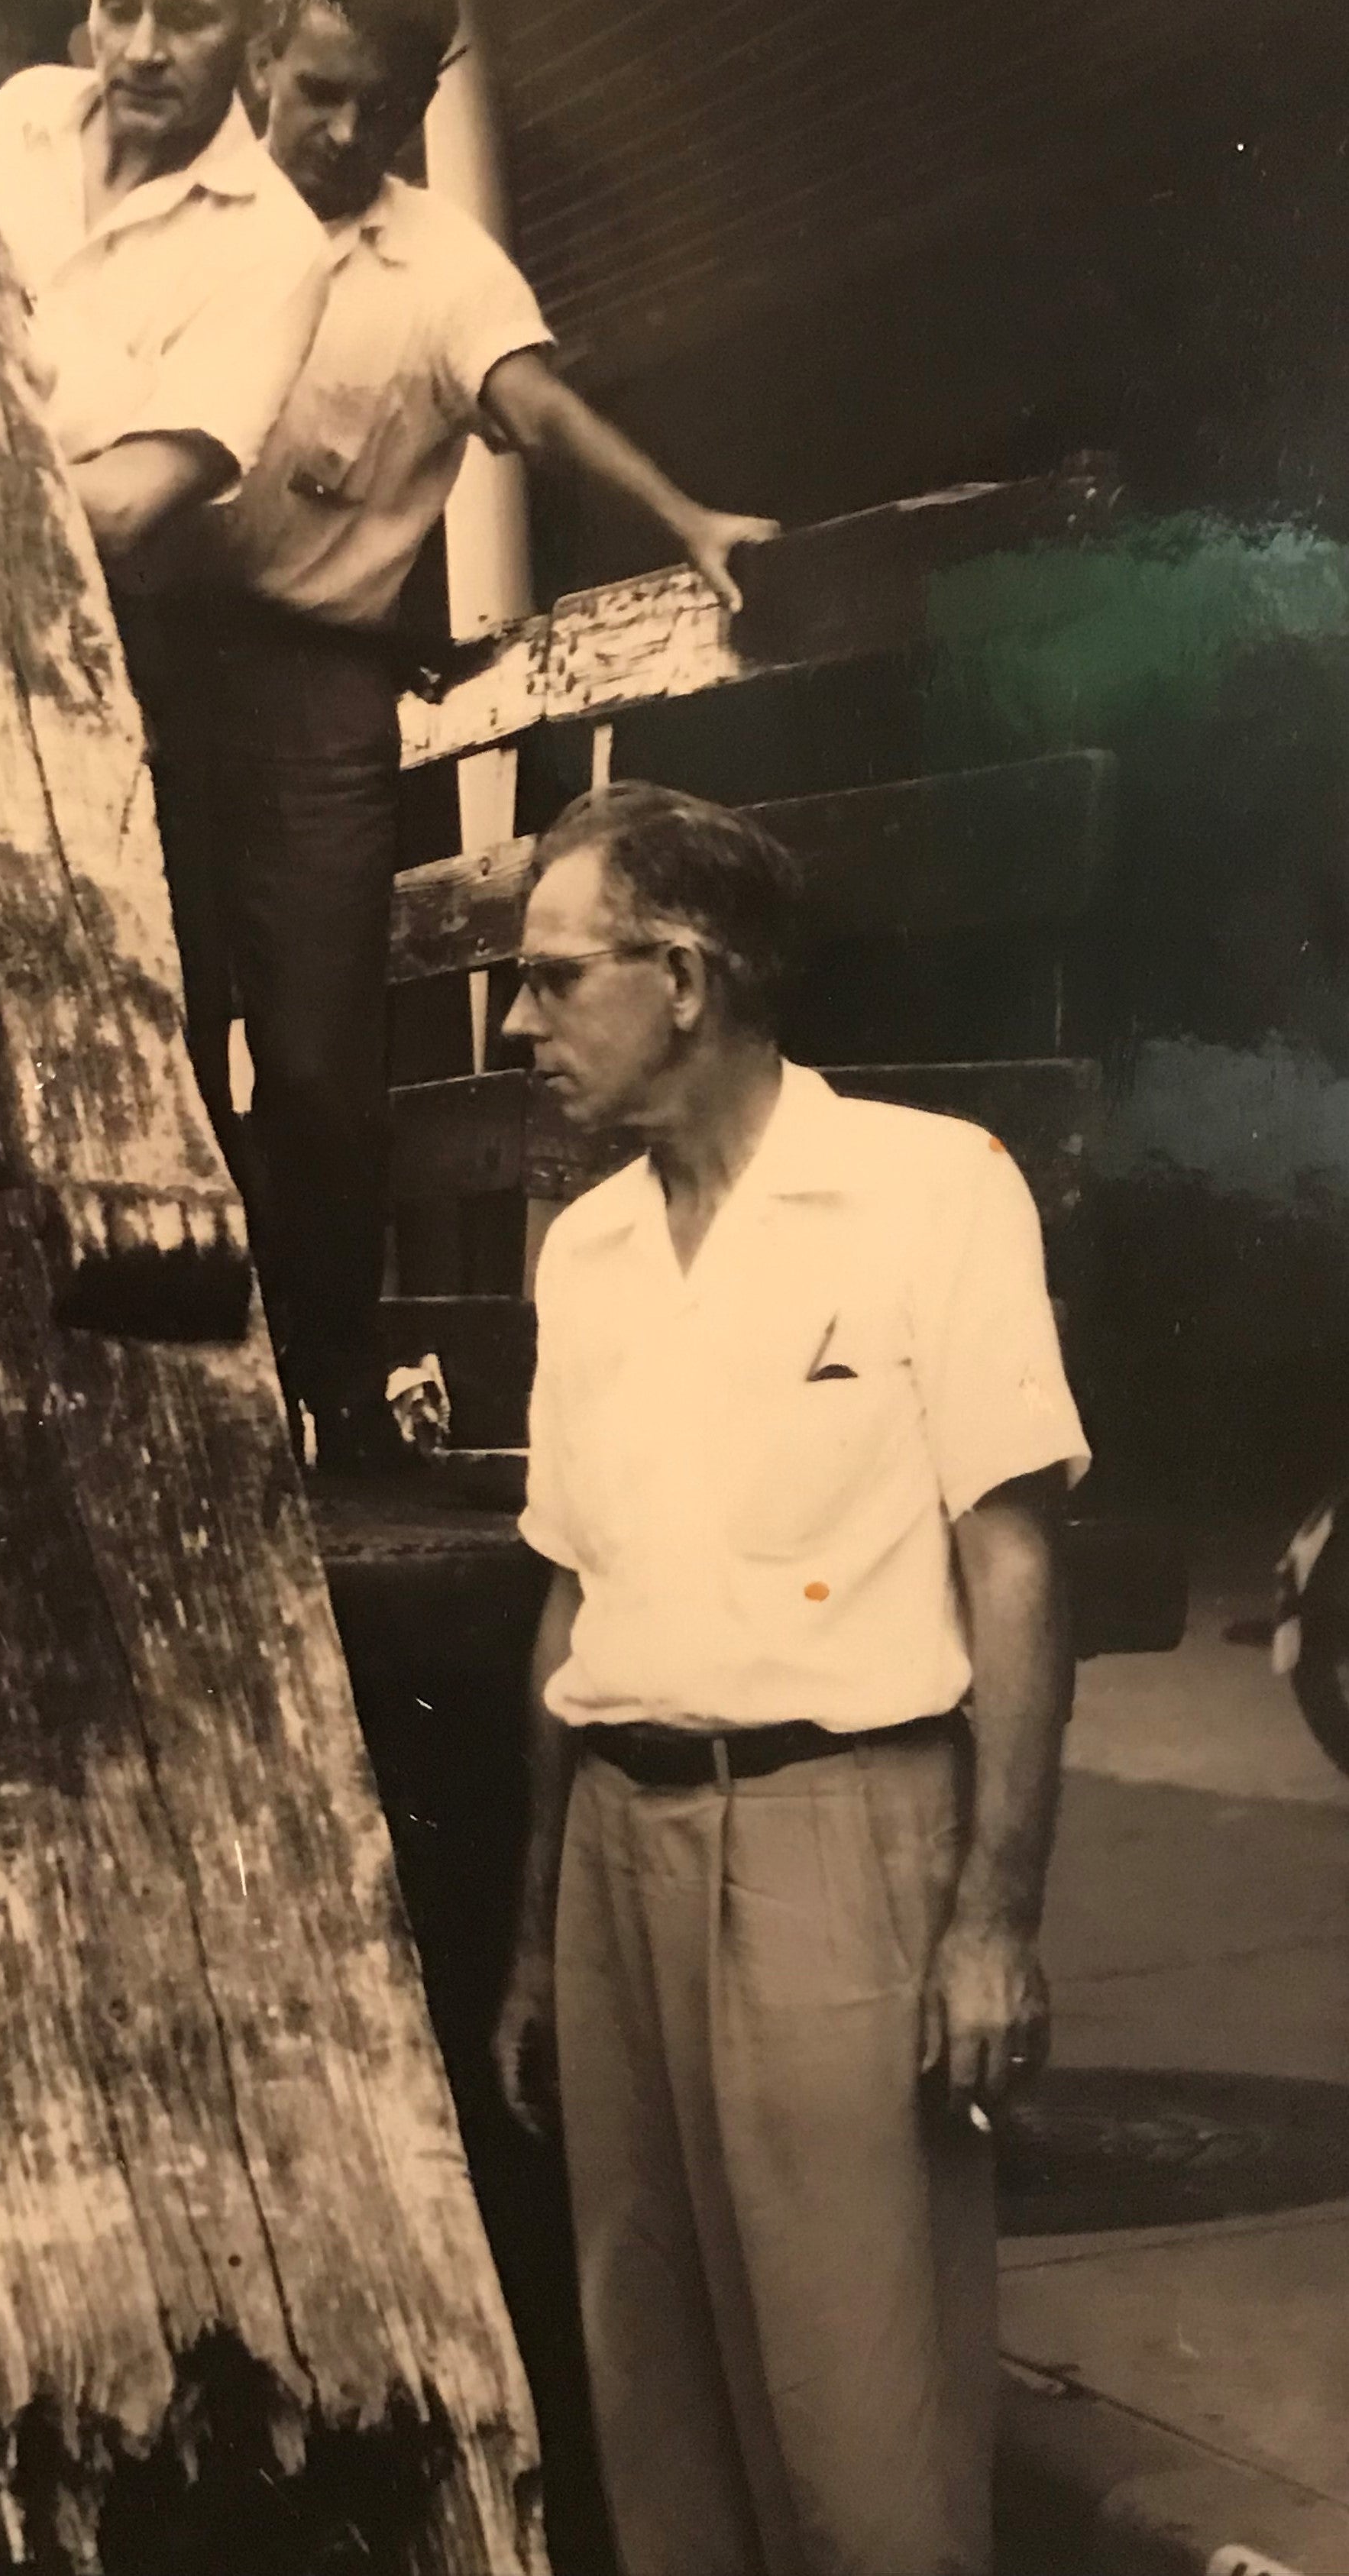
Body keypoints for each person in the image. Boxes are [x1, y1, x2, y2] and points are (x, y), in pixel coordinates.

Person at [490, 781, 1086, 2576]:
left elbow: (1014, 1562)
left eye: (547, 979)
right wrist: (532, 1932)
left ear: (681, 975)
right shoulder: (582, 1252)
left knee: (861, 2418)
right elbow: (566, 1605)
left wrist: (992, 1916)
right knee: (652, 2399)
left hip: (843, 1841)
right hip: (617, 1853)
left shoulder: (924, 1187)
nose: (518, 1024)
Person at [184, 0, 777, 1471]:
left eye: (383, 107)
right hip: (142, 673)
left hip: (316, 686)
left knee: (320, 1064)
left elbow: (538, 401)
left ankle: (328, 1391)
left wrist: (690, 519)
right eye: (315, 90)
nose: (342, 132)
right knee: (156, 1041)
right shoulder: (175, 210)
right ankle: (179, 1404)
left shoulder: (438, 261)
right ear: (258, 59)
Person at [0, 0, 328, 595]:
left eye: (186, 16)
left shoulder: (279, 248)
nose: (142, 51)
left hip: (96, 624)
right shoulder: (19, 115)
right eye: (118, 6)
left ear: (258, 32)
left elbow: (128, 503)